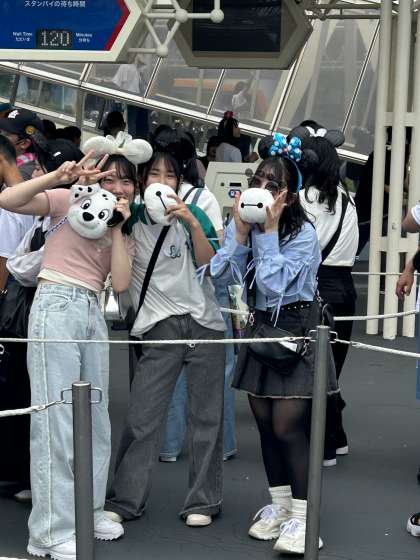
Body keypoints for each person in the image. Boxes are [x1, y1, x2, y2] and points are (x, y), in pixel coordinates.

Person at [0, 136, 152, 559]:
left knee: (96, 417)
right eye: (111, 178)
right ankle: (48, 532)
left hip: (91, 312)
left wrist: (117, 228)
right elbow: (9, 199)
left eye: (127, 181)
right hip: (55, 303)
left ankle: (90, 509)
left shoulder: (123, 226)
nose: (118, 187)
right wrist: (59, 176)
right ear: (97, 176)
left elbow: (120, 284)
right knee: (56, 419)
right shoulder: (69, 199)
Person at [210, 137, 337, 554]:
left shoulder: (303, 233)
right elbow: (220, 277)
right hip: (262, 325)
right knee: (265, 423)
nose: (262, 189)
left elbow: (274, 284)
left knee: (287, 426)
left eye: (273, 184)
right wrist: (238, 234)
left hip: (297, 327)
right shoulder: (246, 227)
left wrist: (265, 233)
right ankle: (281, 507)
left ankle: (305, 517)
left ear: (290, 195)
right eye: (258, 180)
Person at [105, 137, 226, 529]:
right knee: (143, 416)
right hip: (159, 326)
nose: (162, 180)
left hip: (205, 323)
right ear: (142, 180)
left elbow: (210, 263)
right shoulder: (133, 216)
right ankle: (126, 499)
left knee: (206, 419)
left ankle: (203, 501)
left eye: (169, 175)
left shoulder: (195, 212)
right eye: (154, 173)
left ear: (179, 180)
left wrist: (190, 220)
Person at [0, 136, 84, 504]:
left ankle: (47, 482)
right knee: (27, 393)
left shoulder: (70, 212)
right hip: (27, 312)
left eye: (42, 168)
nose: (35, 172)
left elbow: (21, 266)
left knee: (48, 398)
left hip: (47, 312)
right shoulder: (40, 210)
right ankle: (27, 473)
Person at [157, 129, 237, 463]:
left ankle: (169, 444)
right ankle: (221, 443)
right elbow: (217, 255)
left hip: (165, 293)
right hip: (205, 292)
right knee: (219, 370)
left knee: (170, 370)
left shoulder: (148, 198)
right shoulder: (202, 198)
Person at [295, 125, 358, 466]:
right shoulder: (348, 199)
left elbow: (301, 249)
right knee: (333, 369)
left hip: (316, 286)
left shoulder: (303, 199)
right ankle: (337, 437)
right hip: (345, 289)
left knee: (313, 371)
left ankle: (323, 447)